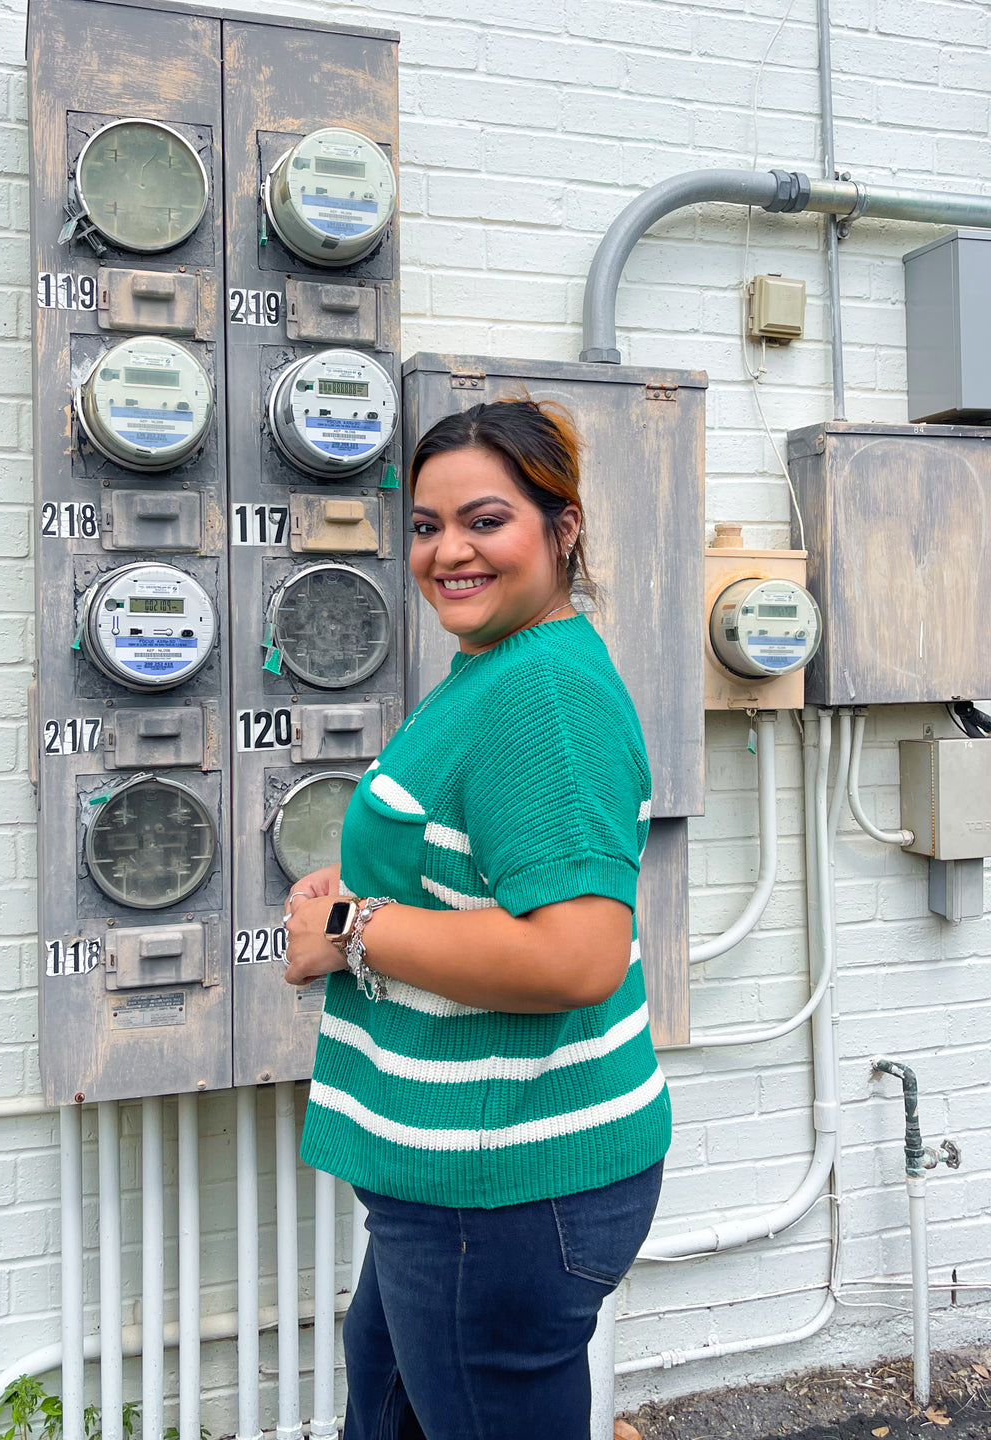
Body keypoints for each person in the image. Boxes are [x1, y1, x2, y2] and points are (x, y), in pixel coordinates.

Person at [282, 397, 671, 1440]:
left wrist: (355, 928)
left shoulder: (541, 694)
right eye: (424, 525)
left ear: (564, 526)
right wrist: (367, 893)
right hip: (455, 1176)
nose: (447, 550)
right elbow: (481, 869)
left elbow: (578, 953)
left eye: (485, 520)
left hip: (500, 1186)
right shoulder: (496, 668)